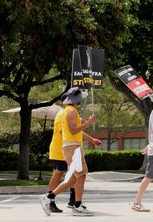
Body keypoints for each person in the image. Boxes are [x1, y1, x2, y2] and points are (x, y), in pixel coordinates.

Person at [41, 87, 96, 217]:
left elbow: (75, 129)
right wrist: (88, 122)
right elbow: (73, 130)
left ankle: (52, 198)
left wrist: (90, 137)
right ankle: (76, 205)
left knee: (74, 177)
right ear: (77, 99)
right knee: (80, 175)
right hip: (72, 147)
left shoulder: (69, 111)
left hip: (72, 146)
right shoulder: (71, 111)